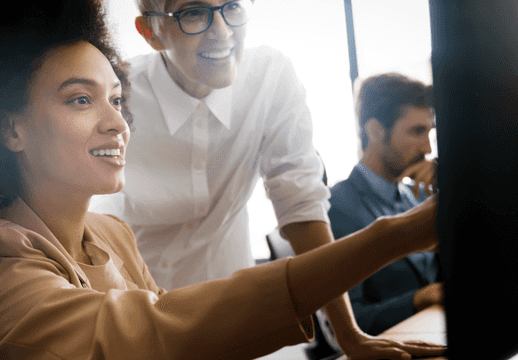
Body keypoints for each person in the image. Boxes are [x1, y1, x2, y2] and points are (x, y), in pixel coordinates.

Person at [0, 1, 448, 359]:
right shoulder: (12, 266)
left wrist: (349, 334)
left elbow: (299, 202)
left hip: (227, 320)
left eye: (117, 100)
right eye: (80, 99)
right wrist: (397, 235)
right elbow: (155, 328)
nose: (118, 122)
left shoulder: (110, 236)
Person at [316, 73, 443, 353]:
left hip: (431, 335)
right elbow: (350, 323)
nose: (428, 147)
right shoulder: (338, 207)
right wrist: (420, 298)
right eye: (416, 132)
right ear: (375, 131)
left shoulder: (416, 197)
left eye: (429, 132)